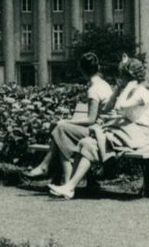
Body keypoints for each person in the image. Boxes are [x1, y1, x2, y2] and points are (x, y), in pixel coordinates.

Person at [48, 56, 149, 200]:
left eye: (122, 75)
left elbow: (119, 107)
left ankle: (73, 183)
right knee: (86, 143)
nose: (119, 78)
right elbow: (108, 107)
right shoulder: (129, 91)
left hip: (136, 135)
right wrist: (118, 90)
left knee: (94, 138)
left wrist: (125, 87)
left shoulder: (142, 93)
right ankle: (69, 187)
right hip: (125, 131)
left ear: (130, 77)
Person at [23, 52, 112, 186]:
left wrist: (67, 121)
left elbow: (91, 120)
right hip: (104, 130)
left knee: (60, 128)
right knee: (61, 132)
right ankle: (70, 180)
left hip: (99, 133)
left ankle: (48, 168)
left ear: (82, 70)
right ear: (97, 67)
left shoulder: (93, 90)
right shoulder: (104, 84)